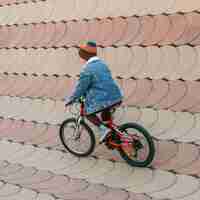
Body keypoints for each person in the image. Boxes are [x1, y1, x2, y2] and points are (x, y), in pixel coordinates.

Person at [65, 40, 123, 143]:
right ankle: (110, 132)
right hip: (116, 96)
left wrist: (71, 99)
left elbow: (81, 88)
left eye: (82, 51)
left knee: (87, 113)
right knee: (105, 111)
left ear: (86, 54)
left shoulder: (87, 69)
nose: (80, 53)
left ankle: (104, 130)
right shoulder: (102, 64)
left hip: (105, 99)